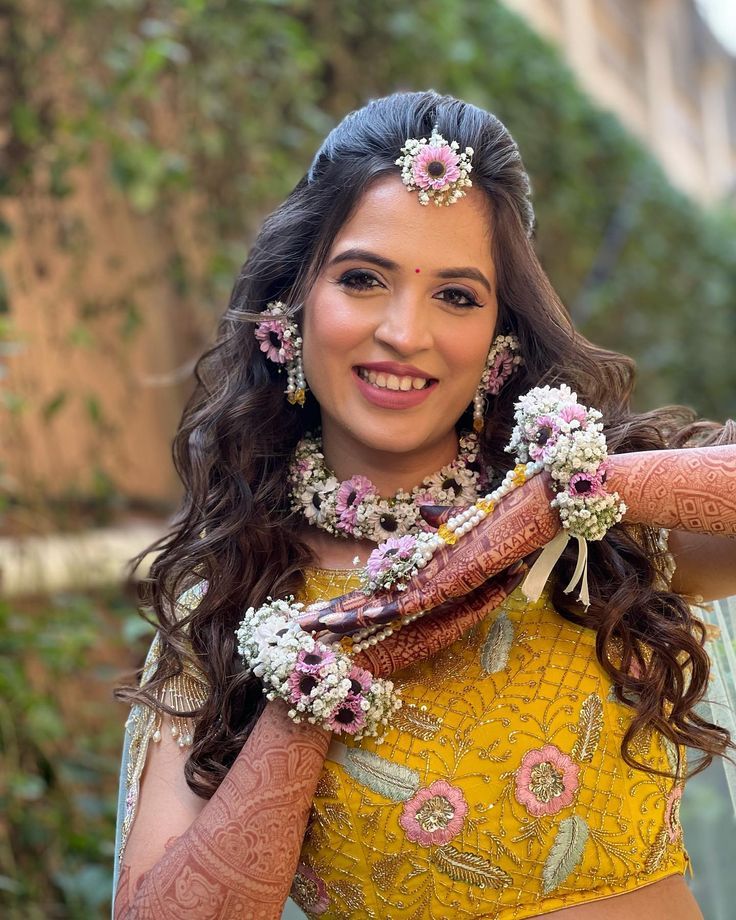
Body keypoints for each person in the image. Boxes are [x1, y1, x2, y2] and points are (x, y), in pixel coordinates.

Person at [112, 91, 736, 919]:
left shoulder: (599, 539)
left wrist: (560, 500)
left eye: (457, 295)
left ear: (498, 342)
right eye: (363, 279)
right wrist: (317, 684)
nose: (406, 333)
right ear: (291, 313)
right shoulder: (232, 602)